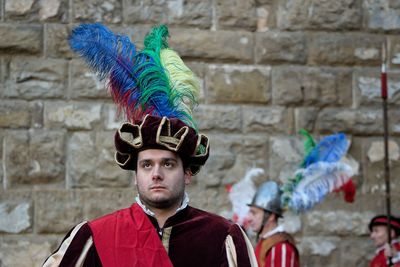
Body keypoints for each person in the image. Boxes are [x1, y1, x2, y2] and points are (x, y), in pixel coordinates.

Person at [42, 23, 257, 267]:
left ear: (187, 172)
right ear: (135, 174)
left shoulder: (222, 237)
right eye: (146, 165)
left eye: (168, 163)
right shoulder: (95, 236)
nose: (156, 174)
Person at [247, 181, 299, 267]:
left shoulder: (281, 248)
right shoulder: (266, 242)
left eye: (254, 213)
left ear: (271, 216)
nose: (249, 219)